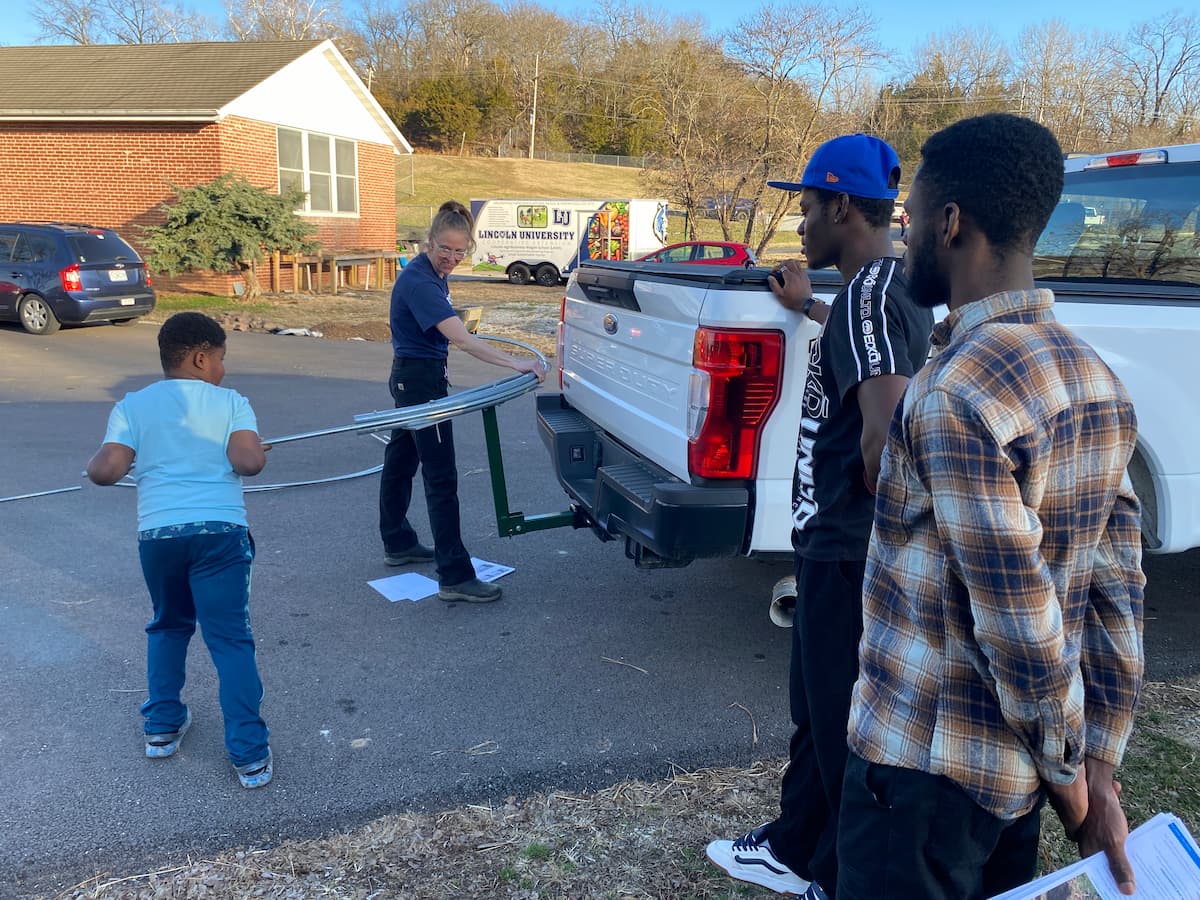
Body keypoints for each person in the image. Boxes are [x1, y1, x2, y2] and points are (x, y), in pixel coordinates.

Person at [837, 113, 1145, 899]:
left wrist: (1080, 796)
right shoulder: (1095, 378)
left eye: (909, 221)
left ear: (950, 225)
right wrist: (1097, 764)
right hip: (1012, 790)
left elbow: (1019, 625)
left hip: (918, 784)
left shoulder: (951, 394)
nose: (903, 240)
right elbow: (1118, 589)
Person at [705, 135, 934, 899]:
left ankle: (835, 874)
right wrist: (810, 307)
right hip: (836, 541)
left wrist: (861, 506)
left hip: (850, 547)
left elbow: (889, 431)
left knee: (839, 723)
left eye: (806, 207)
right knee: (817, 708)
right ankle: (797, 844)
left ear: (842, 207)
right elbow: (873, 349)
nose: (799, 225)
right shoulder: (879, 290)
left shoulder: (873, 291)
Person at [86, 312, 274, 789]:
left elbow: (106, 470)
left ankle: (162, 727)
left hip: (159, 536)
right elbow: (248, 462)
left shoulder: (133, 405)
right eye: (221, 359)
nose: (223, 370)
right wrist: (254, 448)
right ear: (200, 357)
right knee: (230, 639)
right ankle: (249, 754)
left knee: (168, 625)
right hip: (220, 533)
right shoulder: (231, 402)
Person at [379, 200, 546, 603]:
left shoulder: (430, 274)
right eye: (445, 249)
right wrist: (516, 363)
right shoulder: (420, 281)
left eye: (460, 251)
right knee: (441, 477)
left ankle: (398, 541)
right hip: (420, 384)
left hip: (412, 378)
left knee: (401, 460)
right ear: (429, 241)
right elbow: (462, 339)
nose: (452, 258)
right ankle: (454, 575)